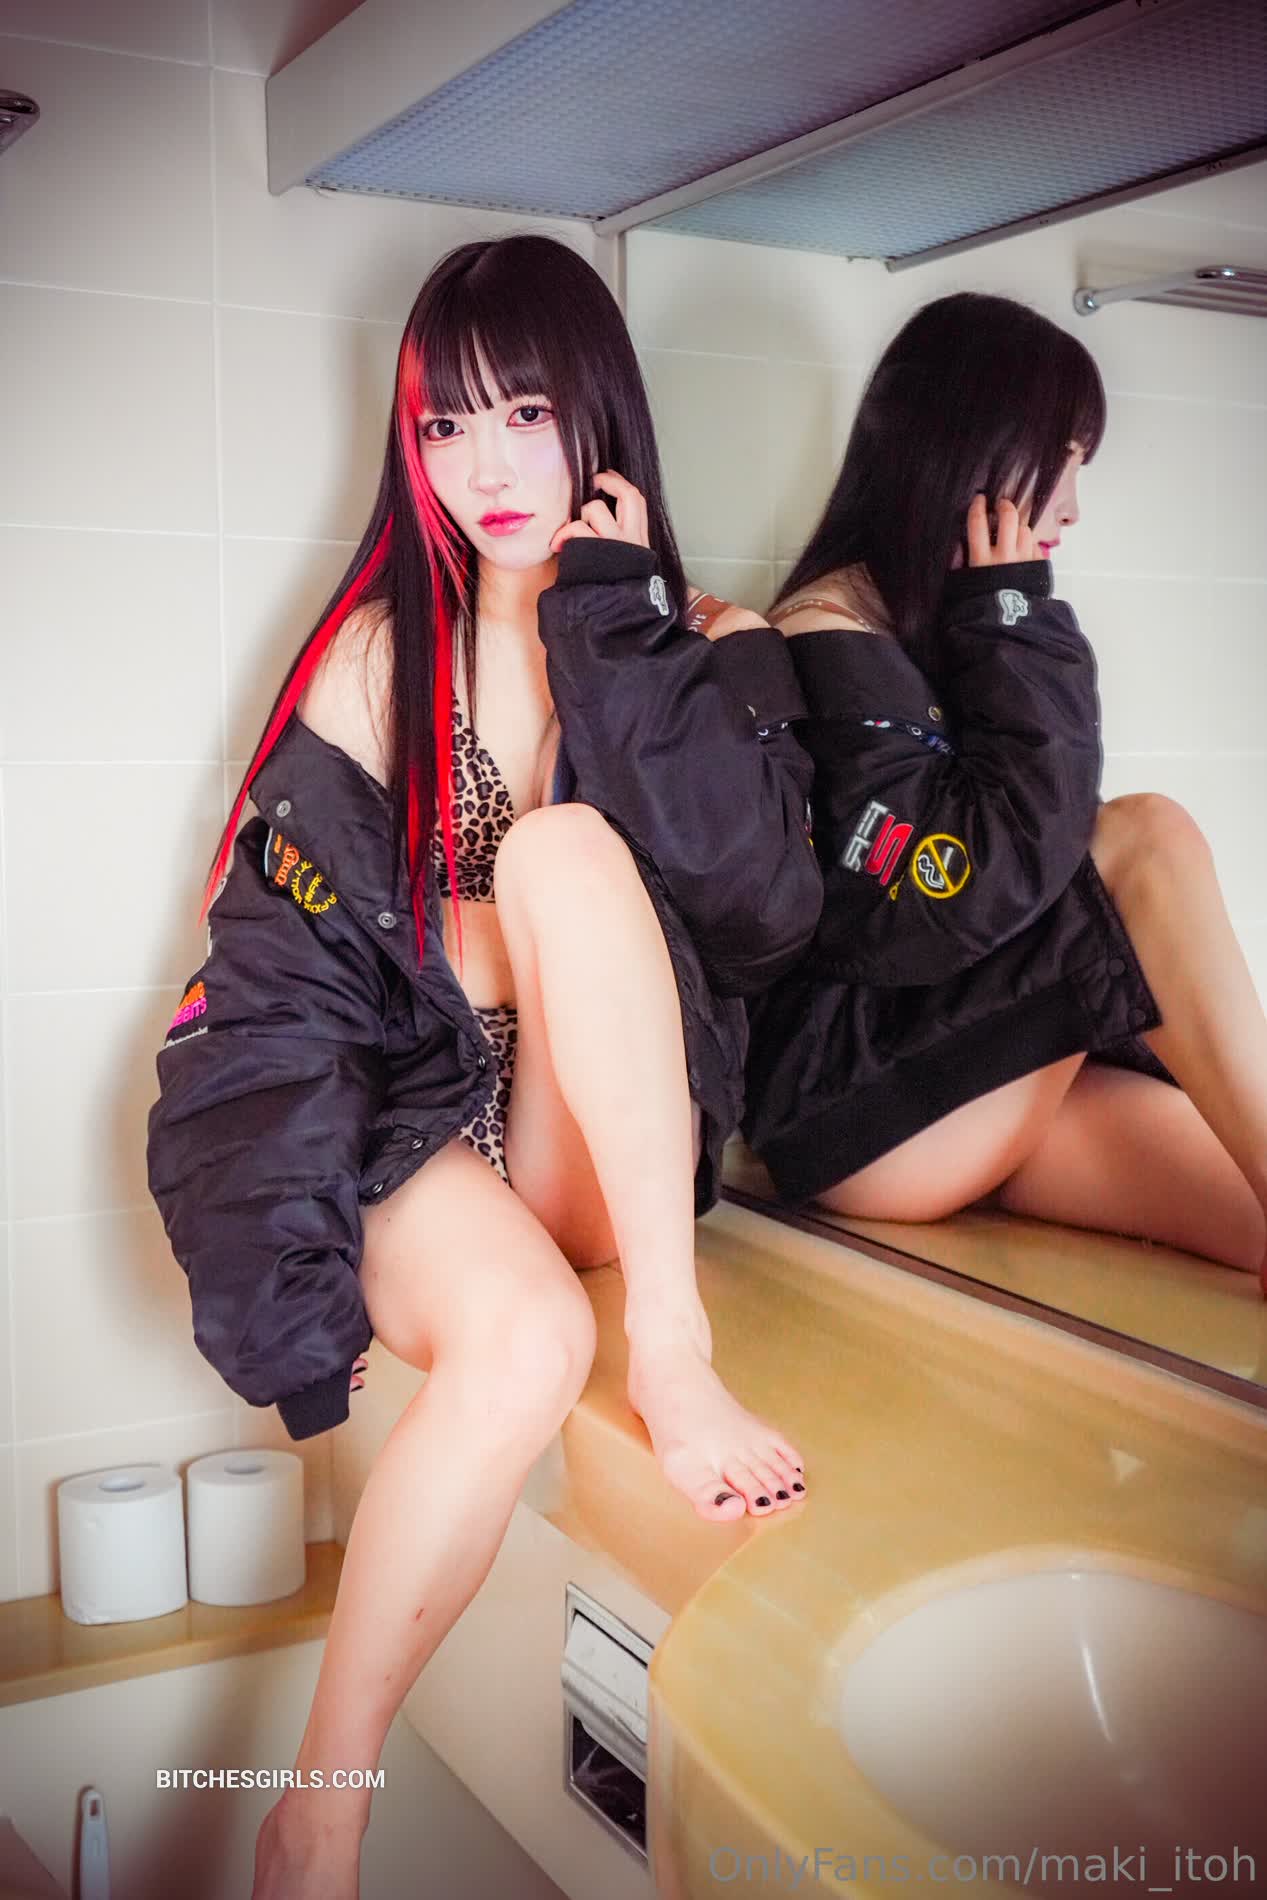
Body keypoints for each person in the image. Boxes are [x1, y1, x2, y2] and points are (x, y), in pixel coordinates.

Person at [146, 233, 821, 1899]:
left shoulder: (707, 637)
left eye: (525, 411)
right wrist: (286, 1282)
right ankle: (320, 1813)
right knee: (520, 1344)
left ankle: (672, 1351)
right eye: (446, 424)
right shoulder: (380, 655)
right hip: (422, 1143)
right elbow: (279, 981)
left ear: (597, 411)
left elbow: (761, 914)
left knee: (564, 855)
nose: (488, 465)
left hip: (599, 1142)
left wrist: (614, 625)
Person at [742, 290, 1267, 1293]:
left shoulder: (928, 622)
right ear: (971, 456)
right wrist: (1012, 615)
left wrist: (1000, 619)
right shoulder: (823, 641)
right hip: (860, 1109)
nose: (1069, 506)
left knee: (1249, 1209)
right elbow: (957, 888)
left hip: (960, 1080)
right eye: (1060, 460)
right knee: (1146, 836)